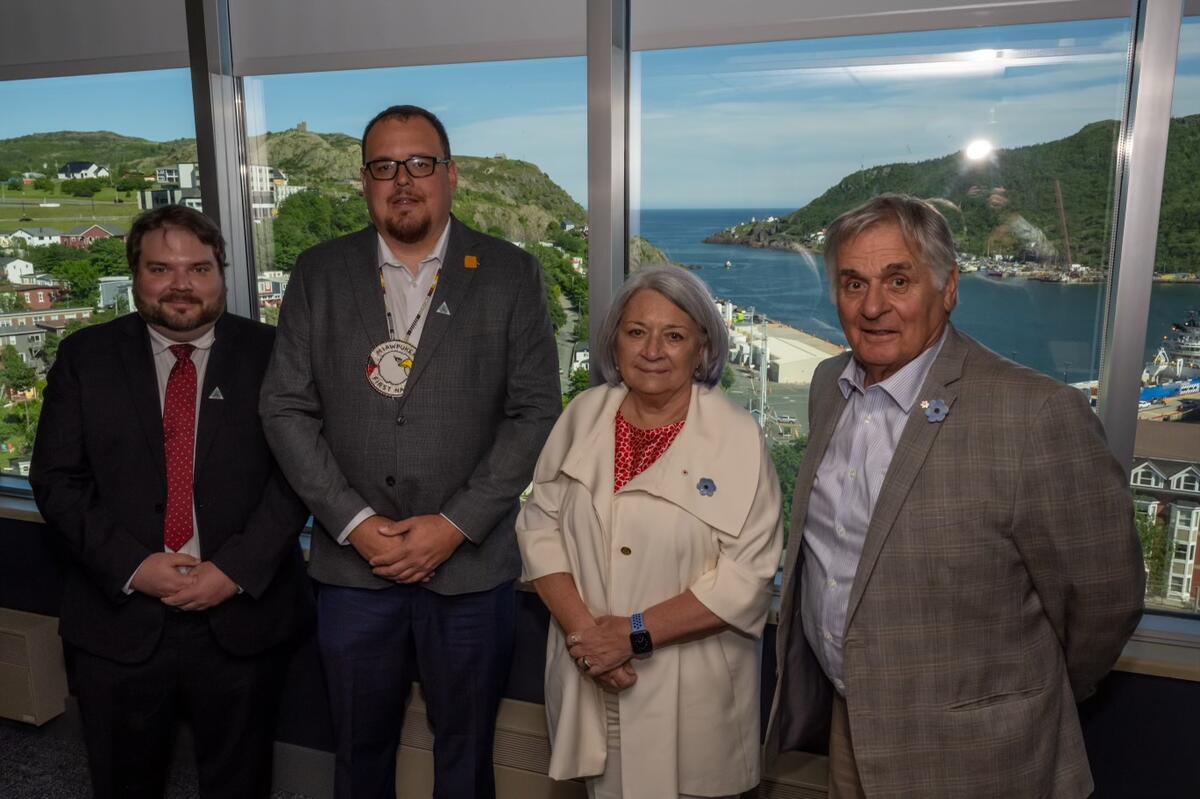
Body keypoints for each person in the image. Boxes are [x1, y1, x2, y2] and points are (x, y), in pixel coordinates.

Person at [764, 194, 1145, 797]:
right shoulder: (826, 387)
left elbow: (1103, 603)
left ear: (948, 288)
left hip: (981, 759)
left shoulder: (1037, 415)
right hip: (852, 734)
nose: (873, 306)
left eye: (899, 280)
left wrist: (1012, 699)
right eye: (853, 282)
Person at [260, 104, 561, 798]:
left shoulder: (511, 274)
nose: (403, 180)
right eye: (384, 166)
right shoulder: (318, 272)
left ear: (451, 177)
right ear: (364, 182)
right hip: (352, 570)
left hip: (471, 571)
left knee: (465, 758)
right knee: (358, 755)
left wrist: (453, 525)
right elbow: (284, 406)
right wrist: (357, 525)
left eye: (420, 163)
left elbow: (535, 409)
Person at [30, 205, 312, 799]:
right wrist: (136, 567)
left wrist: (233, 570)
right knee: (122, 782)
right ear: (135, 275)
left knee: (241, 783)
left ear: (222, 275)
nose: (182, 284)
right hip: (116, 620)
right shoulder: (86, 357)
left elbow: (297, 478)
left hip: (243, 619)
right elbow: (57, 479)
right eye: (161, 268)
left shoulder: (276, 354)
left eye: (199, 268)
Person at [517, 265, 783, 799]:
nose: (653, 350)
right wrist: (589, 639)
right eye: (636, 331)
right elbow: (538, 526)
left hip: (691, 696)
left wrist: (631, 636)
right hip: (592, 675)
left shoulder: (737, 438)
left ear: (703, 348)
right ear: (615, 343)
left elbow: (747, 578)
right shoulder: (583, 416)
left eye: (675, 335)